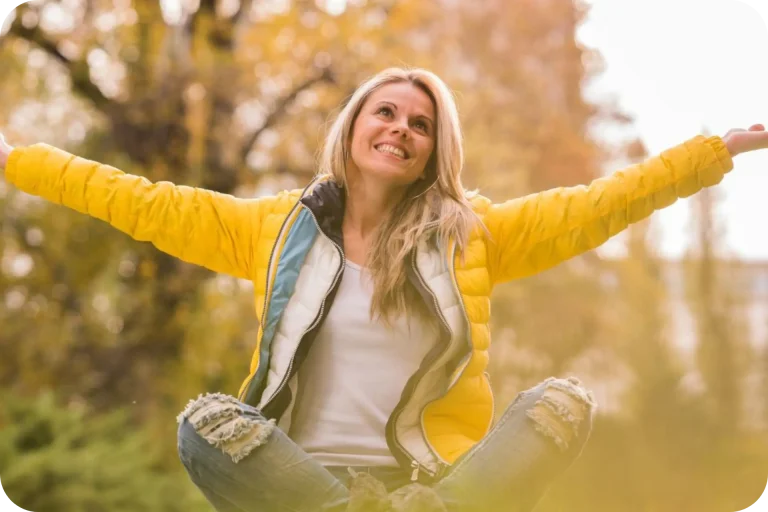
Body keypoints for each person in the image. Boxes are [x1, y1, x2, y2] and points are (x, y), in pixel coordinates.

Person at [1, 66, 767, 512]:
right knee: (205, 424)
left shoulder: (473, 235)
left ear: (435, 150)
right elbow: (137, 200)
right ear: (355, 126)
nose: (401, 128)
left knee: (561, 404)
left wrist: (715, 152)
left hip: (432, 486)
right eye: (387, 112)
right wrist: (15, 161)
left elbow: (599, 205)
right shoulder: (271, 230)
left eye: (421, 124)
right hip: (301, 482)